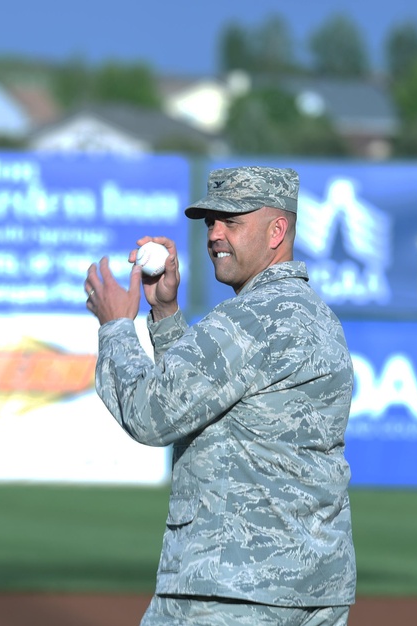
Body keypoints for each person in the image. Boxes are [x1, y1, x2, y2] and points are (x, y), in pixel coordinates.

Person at [84, 166, 356, 625]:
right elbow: (198, 405)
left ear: (277, 231)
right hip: (313, 591)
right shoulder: (319, 317)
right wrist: (166, 313)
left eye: (232, 221)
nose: (214, 234)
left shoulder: (249, 319)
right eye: (210, 222)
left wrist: (116, 327)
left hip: (230, 588)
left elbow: (152, 413)